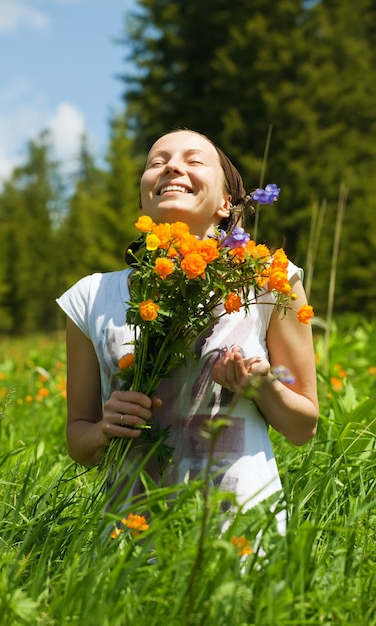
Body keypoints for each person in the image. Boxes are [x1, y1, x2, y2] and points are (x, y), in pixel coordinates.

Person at [56, 129, 318, 519]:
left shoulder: (271, 279)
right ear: (145, 197)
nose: (172, 166)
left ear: (226, 203)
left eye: (193, 160)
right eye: (156, 163)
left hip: (239, 537)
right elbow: (79, 438)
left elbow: (303, 428)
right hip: (127, 542)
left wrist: (263, 387)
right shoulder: (90, 297)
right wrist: (103, 430)